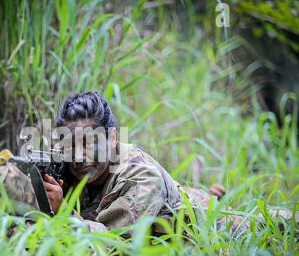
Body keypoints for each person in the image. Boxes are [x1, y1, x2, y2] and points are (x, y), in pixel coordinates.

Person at [42, 91, 296, 235]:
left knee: (281, 224)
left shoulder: (139, 175)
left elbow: (114, 242)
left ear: (112, 138)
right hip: (177, 202)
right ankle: (208, 196)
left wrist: (64, 213)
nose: (78, 155)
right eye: (70, 145)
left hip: (221, 228)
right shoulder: (76, 165)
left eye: (88, 143)